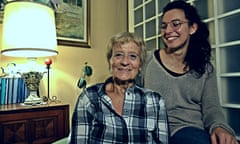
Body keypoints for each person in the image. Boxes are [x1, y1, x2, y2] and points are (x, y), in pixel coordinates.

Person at [144, 1, 238, 144]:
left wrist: (219, 127)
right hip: (157, 132)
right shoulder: (147, 60)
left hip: (192, 131)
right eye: (164, 26)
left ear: (192, 28)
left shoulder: (205, 68)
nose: (168, 31)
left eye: (176, 24)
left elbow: (212, 109)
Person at [69, 32, 169, 143]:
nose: (125, 62)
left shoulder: (155, 101)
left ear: (140, 64)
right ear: (110, 61)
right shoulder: (89, 98)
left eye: (132, 56)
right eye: (118, 55)